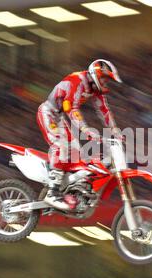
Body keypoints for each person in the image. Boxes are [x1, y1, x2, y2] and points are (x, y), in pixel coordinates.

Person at [37, 59, 122, 210]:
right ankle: (52, 193)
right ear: (96, 73)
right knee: (61, 146)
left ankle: (69, 189)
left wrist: (115, 130)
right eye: (105, 79)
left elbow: (104, 111)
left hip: (59, 117)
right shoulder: (77, 80)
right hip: (48, 113)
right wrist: (85, 129)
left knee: (76, 153)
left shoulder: (96, 90)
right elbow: (71, 107)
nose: (105, 83)